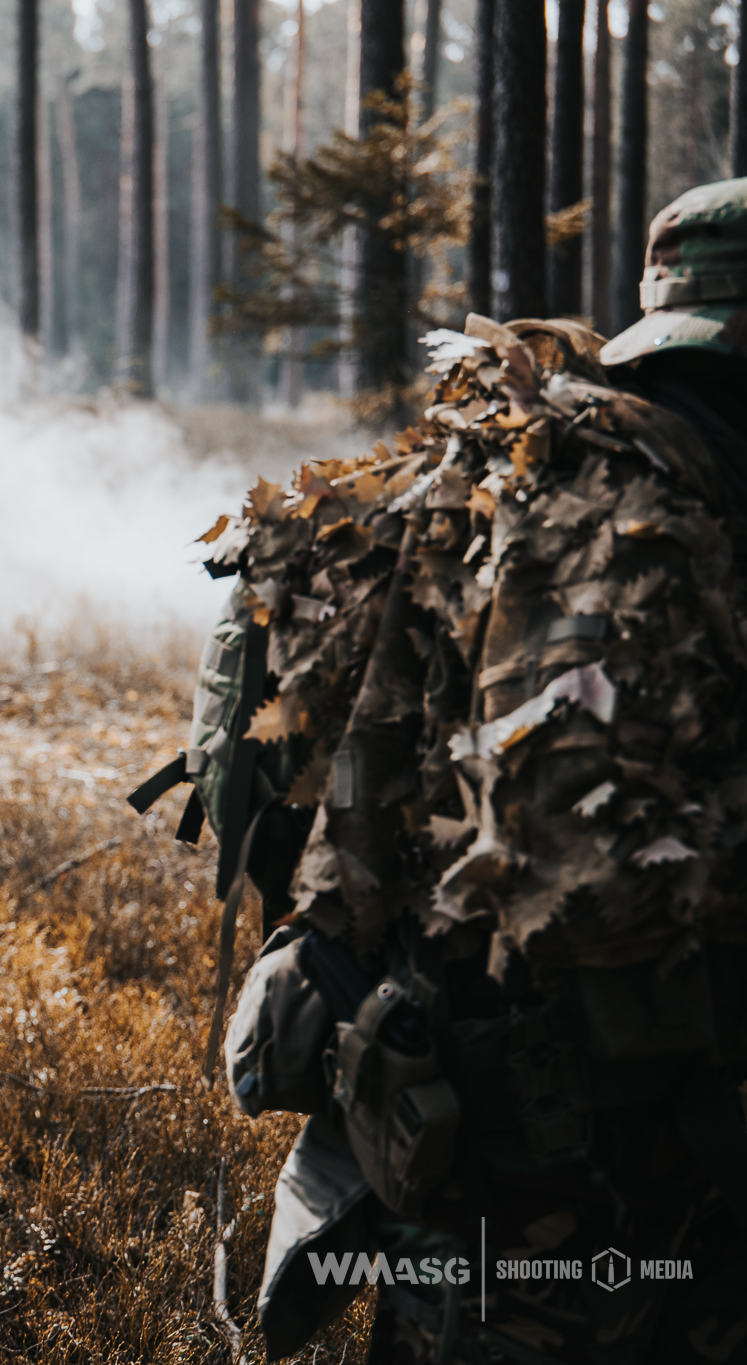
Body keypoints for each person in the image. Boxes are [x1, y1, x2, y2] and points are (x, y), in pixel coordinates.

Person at [137, 179, 747, 1364]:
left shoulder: (600, 472)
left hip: (568, 1150)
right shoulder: (626, 512)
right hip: (557, 1182)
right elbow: (593, 882)